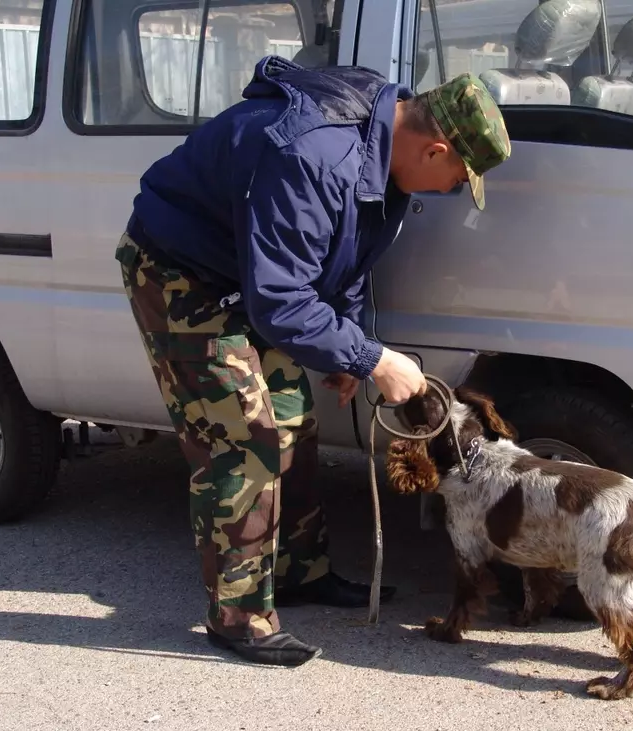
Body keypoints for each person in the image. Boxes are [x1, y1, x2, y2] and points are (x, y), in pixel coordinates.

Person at [114, 55, 512, 668]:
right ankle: (239, 617)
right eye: (458, 177)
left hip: (252, 277)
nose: (452, 191)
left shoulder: (383, 151)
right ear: (433, 149)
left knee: (294, 417)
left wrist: (347, 344)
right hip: (181, 274)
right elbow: (279, 301)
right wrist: (373, 359)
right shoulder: (313, 155)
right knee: (243, 438)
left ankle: (297, 571)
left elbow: (344, 254)